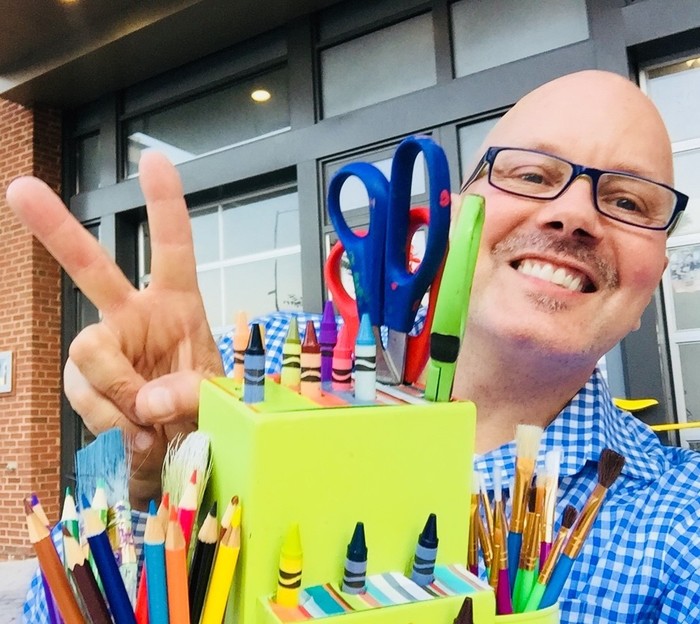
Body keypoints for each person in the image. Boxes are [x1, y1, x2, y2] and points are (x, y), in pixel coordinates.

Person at [9, 70, 700, 622]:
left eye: (631, 202)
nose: (573, 214)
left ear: (653, 283)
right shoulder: (253, 366)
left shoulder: (681, 526)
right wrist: (159, 484)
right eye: (531, 174)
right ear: (450, 219)